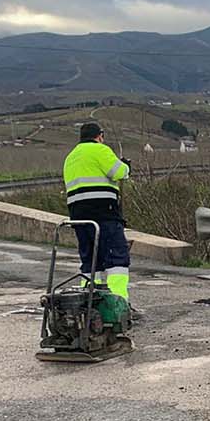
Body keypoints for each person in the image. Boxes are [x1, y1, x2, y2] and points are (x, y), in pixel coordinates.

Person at [62, 121, 132, 309]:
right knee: (117, 257)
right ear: (99, 136)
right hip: (104, 213)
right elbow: (118, 172)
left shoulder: (71, 157)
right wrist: (125, 166)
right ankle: (119, 304)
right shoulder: (100, 150)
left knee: (91, 260)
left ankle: (87, 303)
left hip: (78, 215)